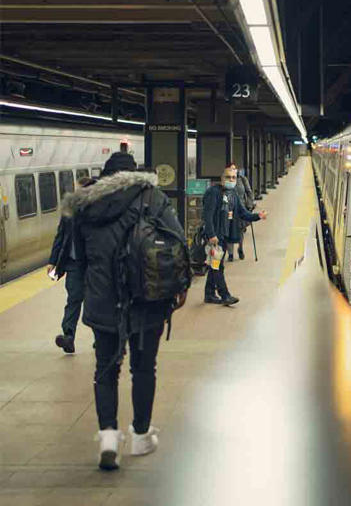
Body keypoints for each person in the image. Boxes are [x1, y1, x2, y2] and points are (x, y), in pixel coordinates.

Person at [63, 151, 188, 470]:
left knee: (106, 369)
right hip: (146, 299)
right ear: (134, 173)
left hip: (102, 300)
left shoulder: (85, 205)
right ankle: (141, 435)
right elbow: (177, 242)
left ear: (104, 175)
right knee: (144, 368)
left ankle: (108, 439)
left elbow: (81, 258)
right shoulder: (152, 197)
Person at [202, 165, 267, 305]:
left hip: (224, 236)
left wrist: (258, 216)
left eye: (233, 177)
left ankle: (209, 294)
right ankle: (225, 295)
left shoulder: (233, 195)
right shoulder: (213, 193)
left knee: (215, 265)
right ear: (221, 178)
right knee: (217, 266)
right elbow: (207, 216)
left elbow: (243, 213)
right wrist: (211, 234)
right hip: (215, 238)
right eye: (228, 177)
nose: (231, 179)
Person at [48, 176, 95, 353]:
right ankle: (68, 336)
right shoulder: (69, 210)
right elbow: (61, 236)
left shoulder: (98, 211)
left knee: (95, 301)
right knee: (73, 299)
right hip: (74, 263)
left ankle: (101, 338)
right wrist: (53, 260)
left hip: (94, 264)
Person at [226, 163, 255, 261]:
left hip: (241, 208)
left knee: (240, 229)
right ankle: (230, 253)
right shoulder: (226, 180)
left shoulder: (243, 179)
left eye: (234, 169)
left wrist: (249, 205)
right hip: (229, 209)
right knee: (229, 229)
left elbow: (249, 192)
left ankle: (240, 248)